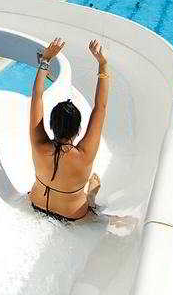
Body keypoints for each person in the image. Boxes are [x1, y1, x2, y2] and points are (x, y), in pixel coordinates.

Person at [28, 38, 107, 222]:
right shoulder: (84, 155)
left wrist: (46, 59)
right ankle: (91, 197)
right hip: (72, 215)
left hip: (36, 204)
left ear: (51, 125)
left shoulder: (39, 144)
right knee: (111, 212)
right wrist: (103, 64)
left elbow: (37, 97)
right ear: (78, 130)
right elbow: (100, 108)